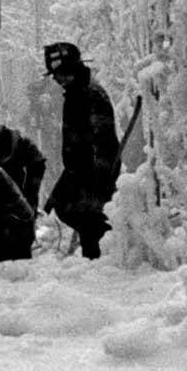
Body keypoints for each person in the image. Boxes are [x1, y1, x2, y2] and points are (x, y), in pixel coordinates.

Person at [41, 42, 120, 259]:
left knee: (86, 217)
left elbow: (104, 141)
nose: (56, 80)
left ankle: (103, 257)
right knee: (68, 209)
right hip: (80, 170)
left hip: (95, 171)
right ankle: (96, 258)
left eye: (59, 74)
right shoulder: (76, 93)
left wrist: (100, 178)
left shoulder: (91, 94)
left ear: (70, 69)